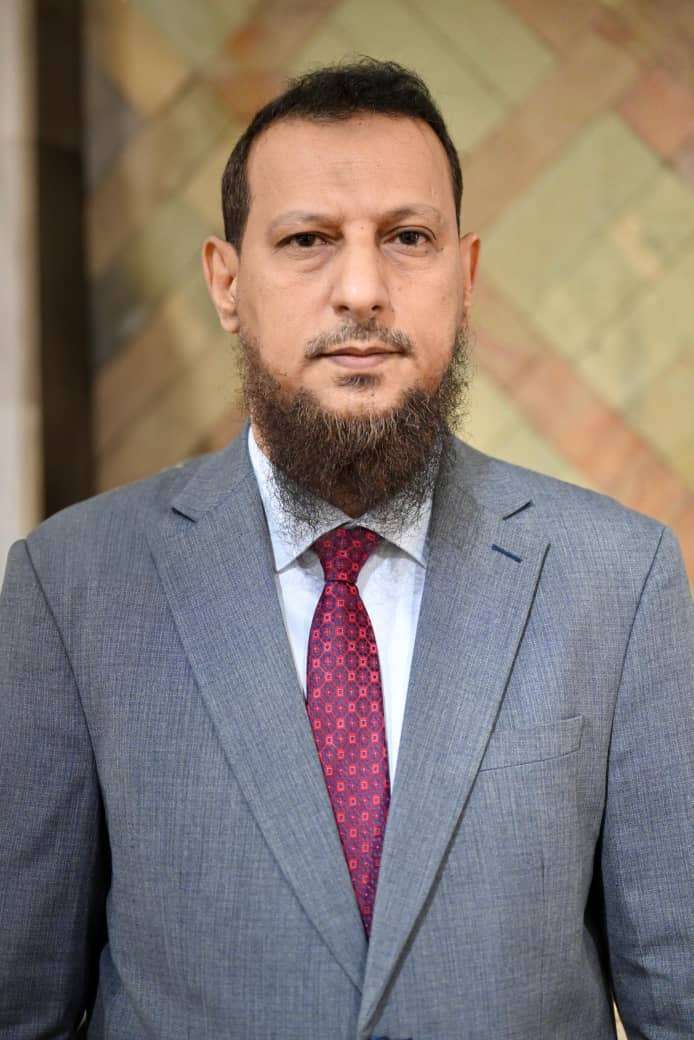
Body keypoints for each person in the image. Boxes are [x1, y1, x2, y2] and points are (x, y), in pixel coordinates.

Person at [0, 58, 692, 1040]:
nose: (361, 290)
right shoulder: (72, 585)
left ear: (465, 275)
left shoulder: (618, 580)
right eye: (307, 240)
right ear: (226, 281)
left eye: (408, 238)